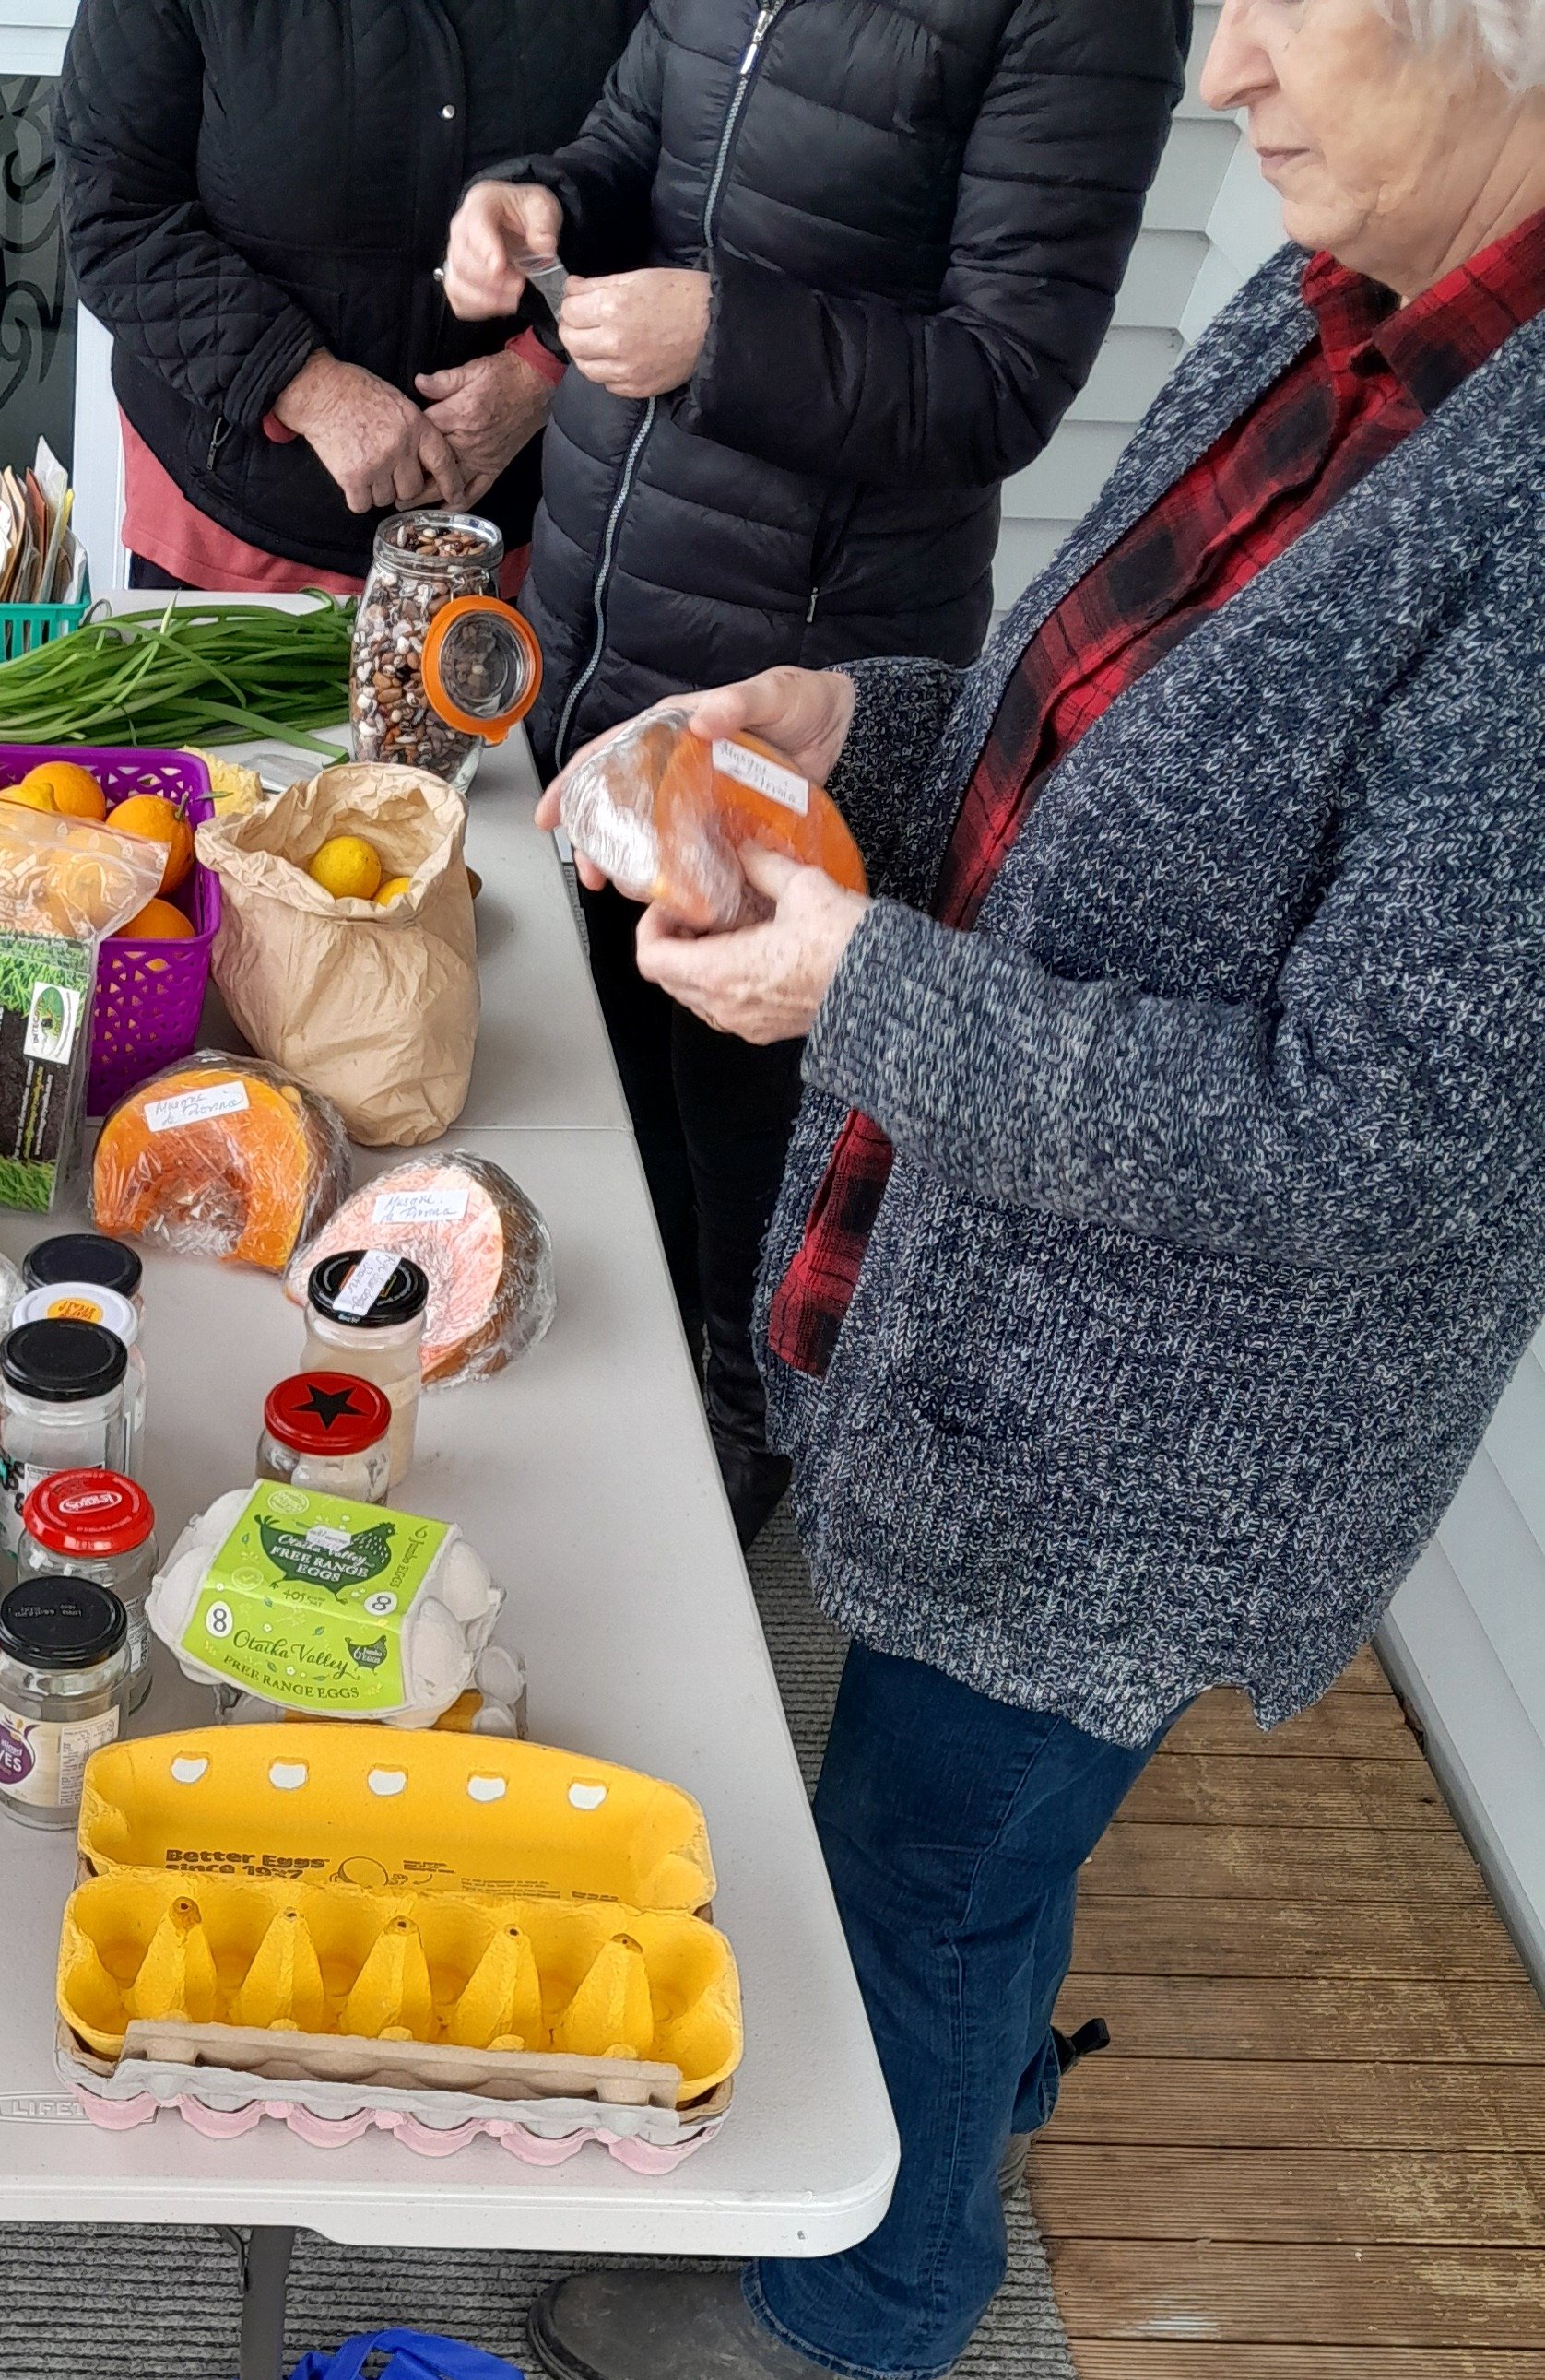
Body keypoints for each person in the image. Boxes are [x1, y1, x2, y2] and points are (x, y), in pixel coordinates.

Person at [524, 0, 1545, 2380]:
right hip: (1008, 1309)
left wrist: (853, 990)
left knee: (930, 1847)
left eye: (1309, 15)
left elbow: (1361, 1148)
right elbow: (1083, 708)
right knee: (944, 1805)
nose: (1230, 80)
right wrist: (843, 720)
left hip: (1158, 1429)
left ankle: (877, 2294)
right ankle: (956, 2077)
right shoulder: (1335, 307)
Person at [444, 0, 1188, 1543]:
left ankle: (740, 1462)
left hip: (804, 660)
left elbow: (1001, 380)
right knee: (605, 1073)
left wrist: (721, 337)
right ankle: (625, 1426)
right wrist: (541, 199)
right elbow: (632, 149)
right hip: (600, 615)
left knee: (750, 1131)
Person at [53, 1, 636, 591]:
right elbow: (114, 215)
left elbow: (663, 191)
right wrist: (309, 388)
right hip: (233, 531)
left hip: (514, 532)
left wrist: (539, 371)